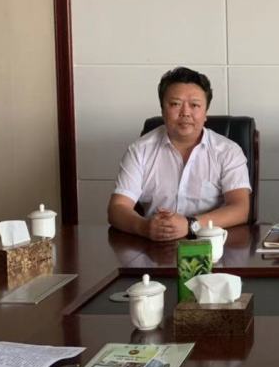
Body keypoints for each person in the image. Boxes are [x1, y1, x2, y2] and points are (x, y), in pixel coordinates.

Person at [107, 67, 251, 241]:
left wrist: (190, 225)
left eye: (195, 105)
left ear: (205, 113)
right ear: (162, 110)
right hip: (155, 244)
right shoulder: (140, 150)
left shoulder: (227, 151)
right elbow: (117, 208)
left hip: (210, 244)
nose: (185, 113)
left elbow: (240, 208)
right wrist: (144, 227)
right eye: (175, 104)